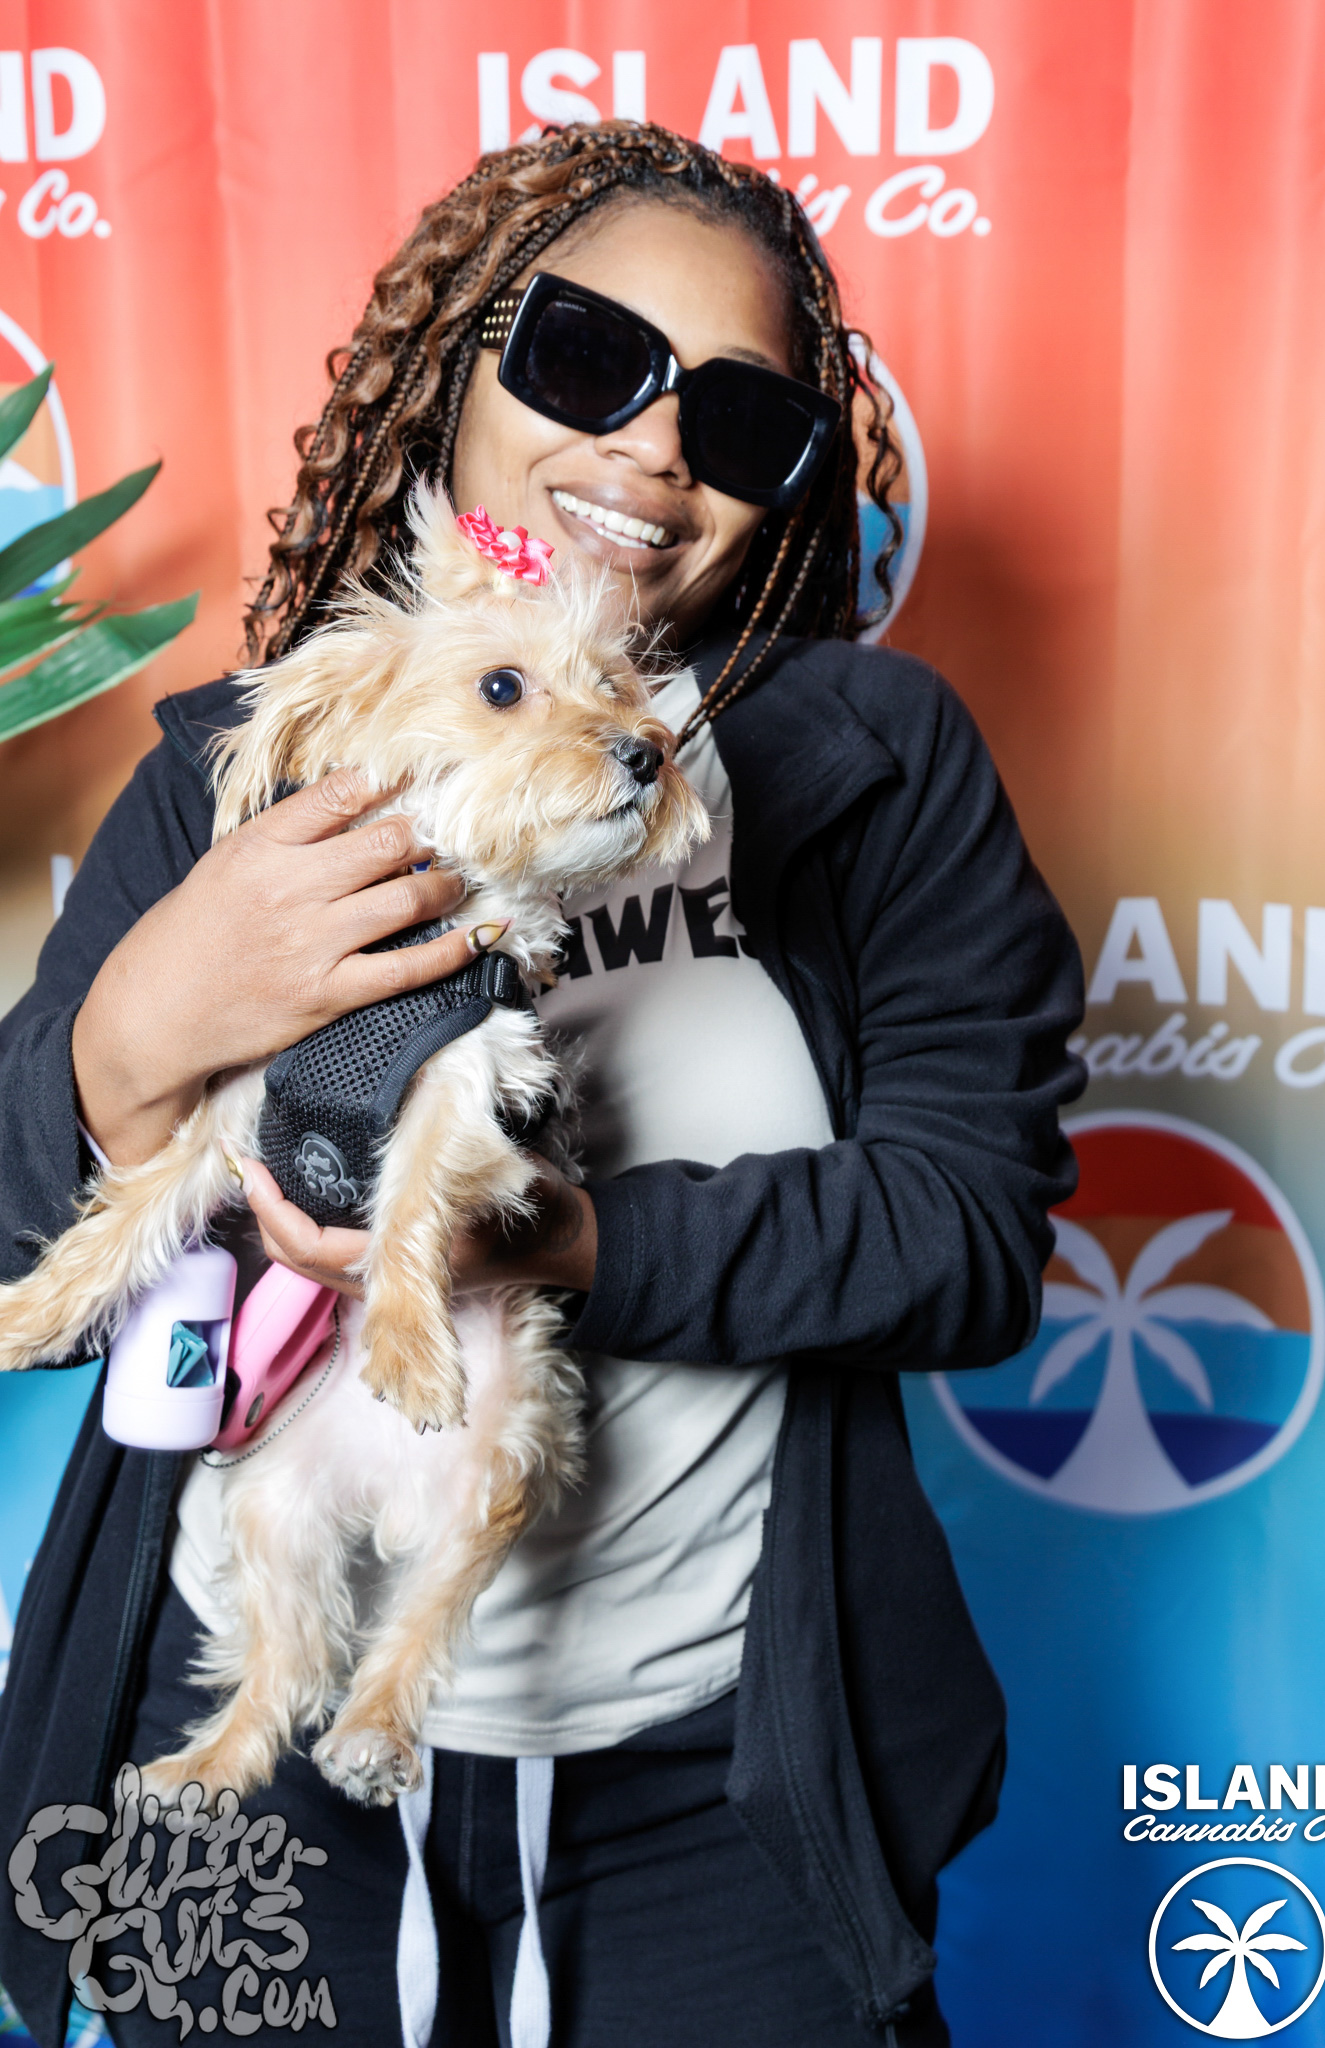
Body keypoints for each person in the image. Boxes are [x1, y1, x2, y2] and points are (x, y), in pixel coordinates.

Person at [0, 123, 1084, 2048]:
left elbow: (968, 1237)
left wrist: (562, 1242)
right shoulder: (250, 762)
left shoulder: (872, 768)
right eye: (586, 360)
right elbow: (22, 1252)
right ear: (457, 375)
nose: (654, 452)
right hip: (236, 1751)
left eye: (739, 423)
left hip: (714, 1792)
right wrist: (139, 1030)